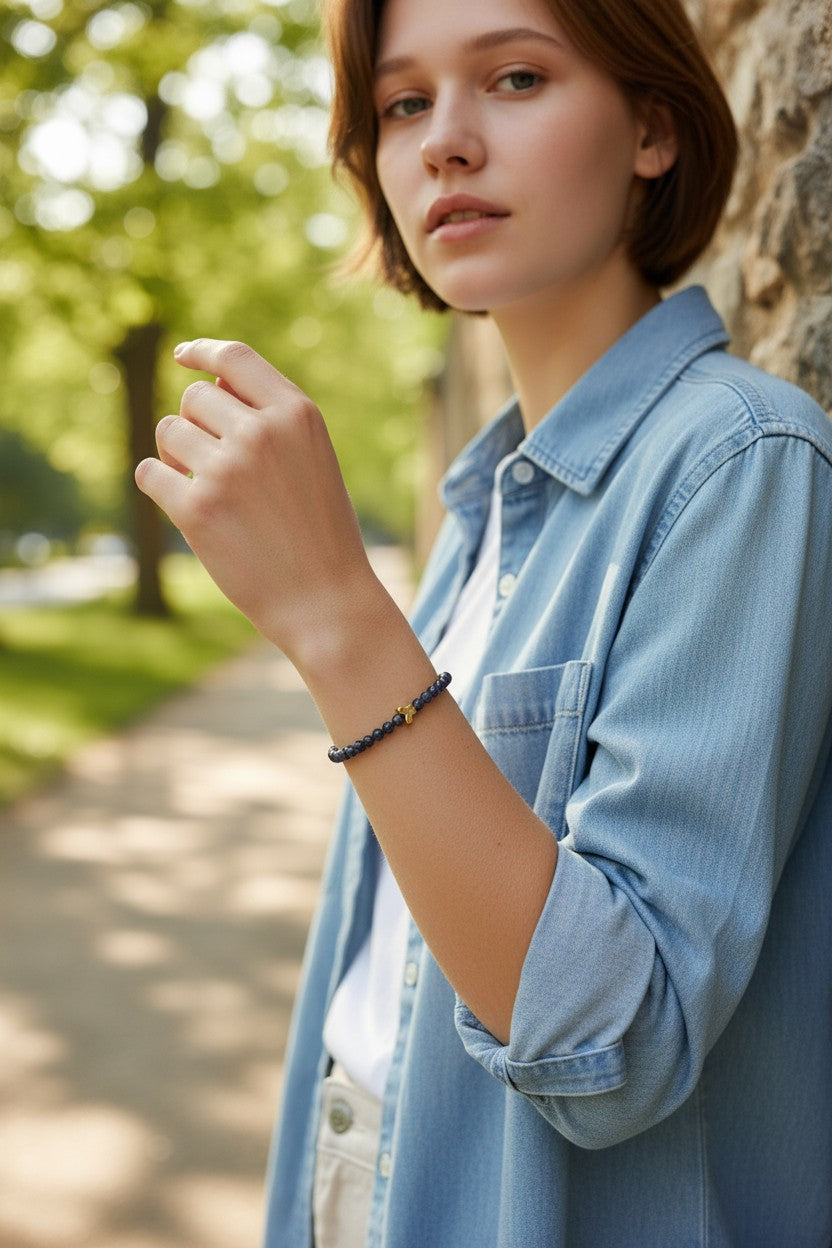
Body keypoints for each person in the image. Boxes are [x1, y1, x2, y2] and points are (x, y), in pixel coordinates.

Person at [135, 0, 832, 1242]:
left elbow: (612, 1043)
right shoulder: (479, 512)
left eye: (513, 78)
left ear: (652, 129)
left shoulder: (743, 464)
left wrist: (338, 621)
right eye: (402, 104)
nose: (445, 142)